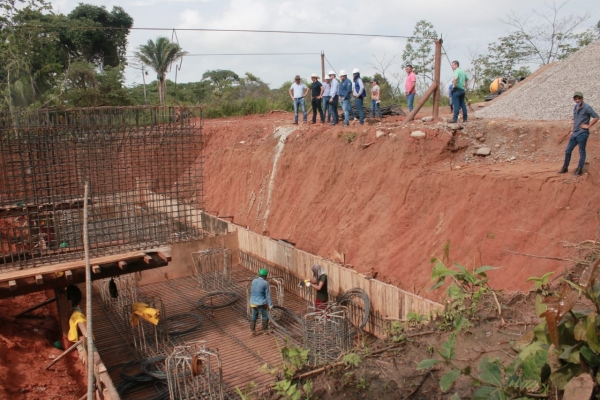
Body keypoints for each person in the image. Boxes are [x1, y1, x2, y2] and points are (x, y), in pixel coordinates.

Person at [558, 91, 599, 176]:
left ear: (582, 98)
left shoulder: (587, 107)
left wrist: (588, 126)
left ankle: (579, 169)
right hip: (575, 133)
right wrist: (572, 130)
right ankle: (565, 167)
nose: (577, 100)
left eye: (579, 98)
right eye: (575, 99)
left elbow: (596, 117)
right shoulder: (575, 107)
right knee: (568, 150)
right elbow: (574, 119)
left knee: (581, 151)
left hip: (582, 133)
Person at [249, 268, 273, 335]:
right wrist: (270, 305)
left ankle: (252, 330)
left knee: (254, 315)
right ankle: (265, 330)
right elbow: (268, 295)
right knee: (265, 315)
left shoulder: (253, 281)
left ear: (259, 274)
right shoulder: (265, 283)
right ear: (265, 276)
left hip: (252, 302)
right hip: (260, 303)